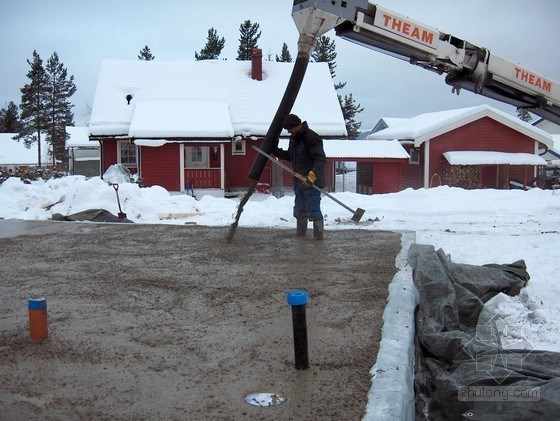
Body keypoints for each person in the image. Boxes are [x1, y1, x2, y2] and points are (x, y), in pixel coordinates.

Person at [274, 114, 326, 240]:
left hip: (311, 182)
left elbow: (320, 159)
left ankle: (318, 238)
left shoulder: (312, 138)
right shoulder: (294, 139)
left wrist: (312, 176)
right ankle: (301, 236)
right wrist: (276, 151)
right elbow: (291, 156)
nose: (289, 132)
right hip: (299, 181)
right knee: (300, 211)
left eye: (290, 129)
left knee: (313, 210)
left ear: (298, 125)